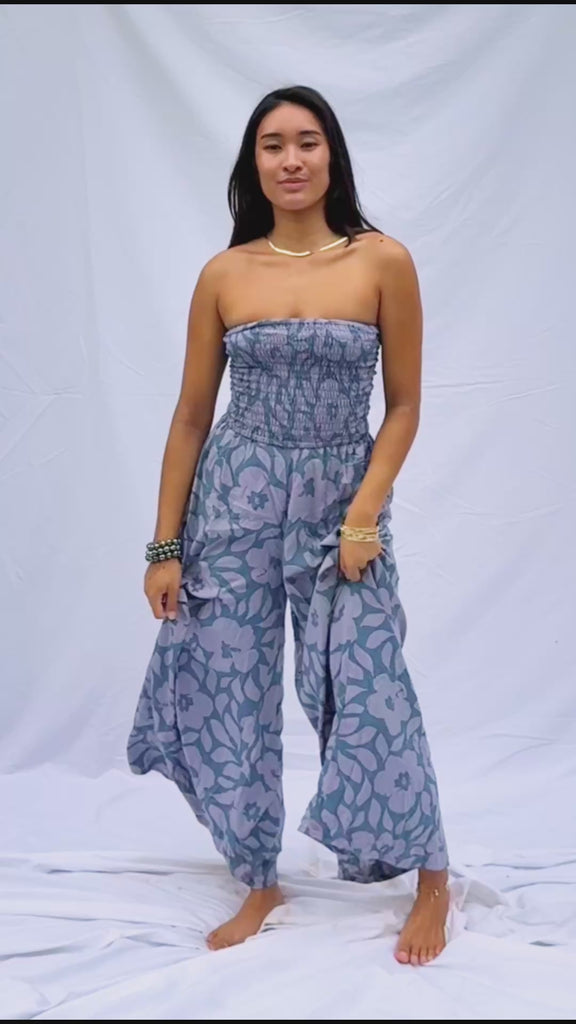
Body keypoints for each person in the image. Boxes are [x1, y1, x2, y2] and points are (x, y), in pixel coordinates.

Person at [127, 85, 450, 966]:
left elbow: (405, 404)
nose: (292, 159)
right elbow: (191, 416)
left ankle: (431, 874)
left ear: (332, 155)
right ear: (254, 164)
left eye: (308, 141)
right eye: (273, 145)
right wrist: (165, 546)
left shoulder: (382, 260)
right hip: (232, 503)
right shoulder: (224, 274)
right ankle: (257, 874)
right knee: (232, 690)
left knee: (371, 685)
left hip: (339, 503)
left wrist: (364, 513)